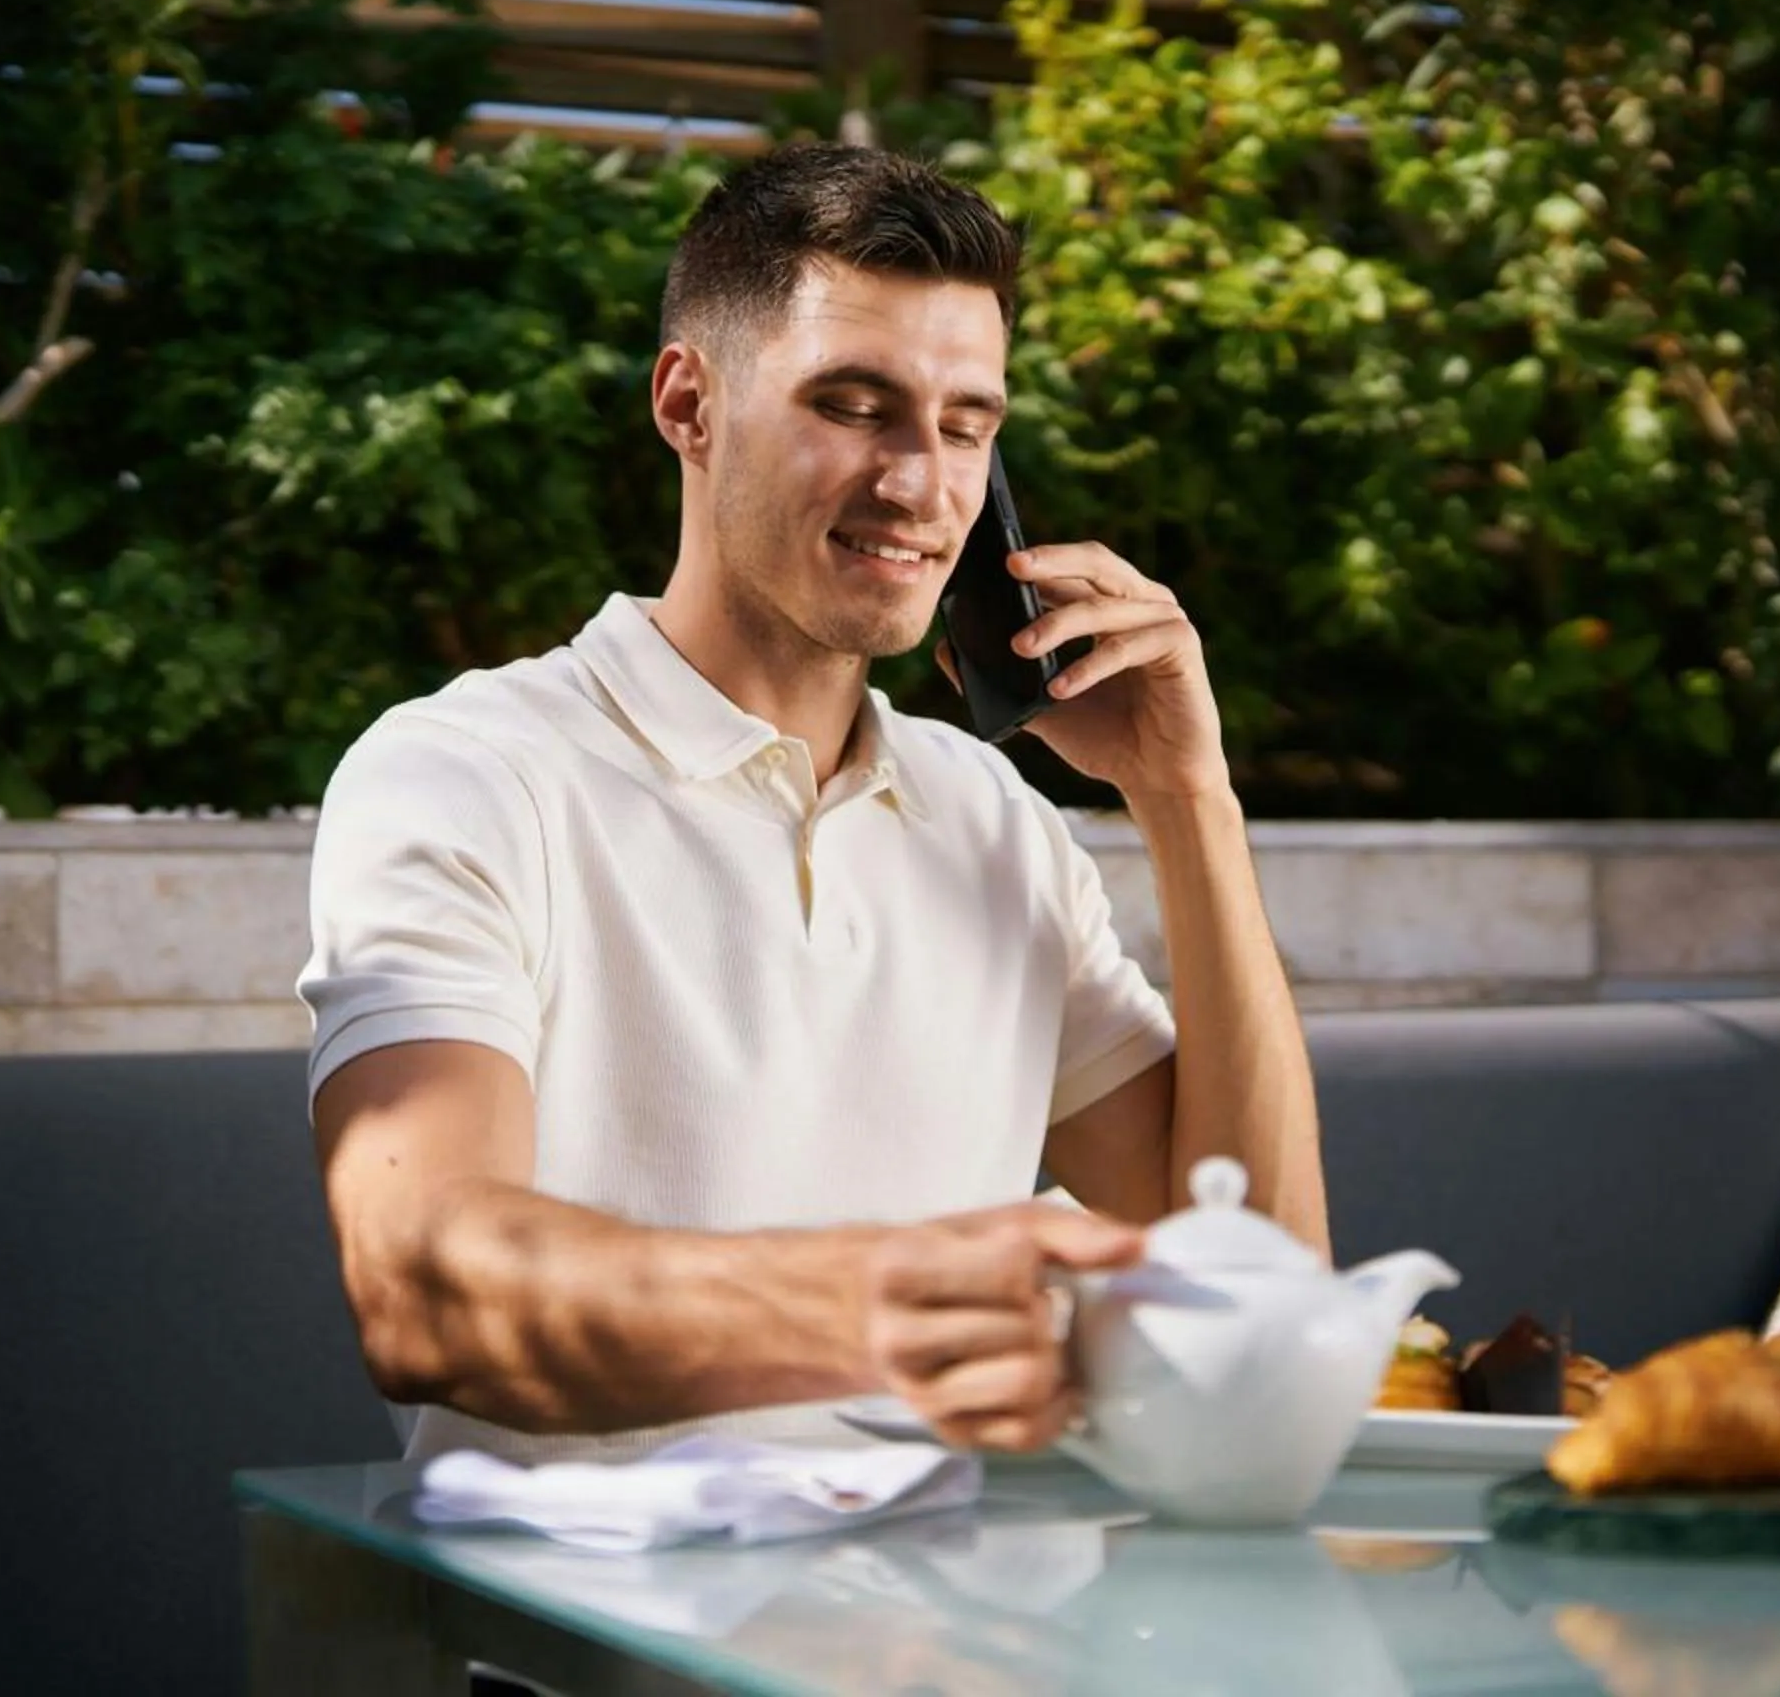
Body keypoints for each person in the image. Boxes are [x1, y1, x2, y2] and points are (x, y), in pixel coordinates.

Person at [303, 142, 1326, 1465]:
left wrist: (1189, 801)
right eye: (853, 405)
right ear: (689, 403)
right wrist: (892, 1302)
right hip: (587, 1601)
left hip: (954, 1597)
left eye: (966, 426)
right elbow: (428, 1298)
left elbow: (1260, 1297)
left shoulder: (994, 821)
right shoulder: (468, 774)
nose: (921, 484)